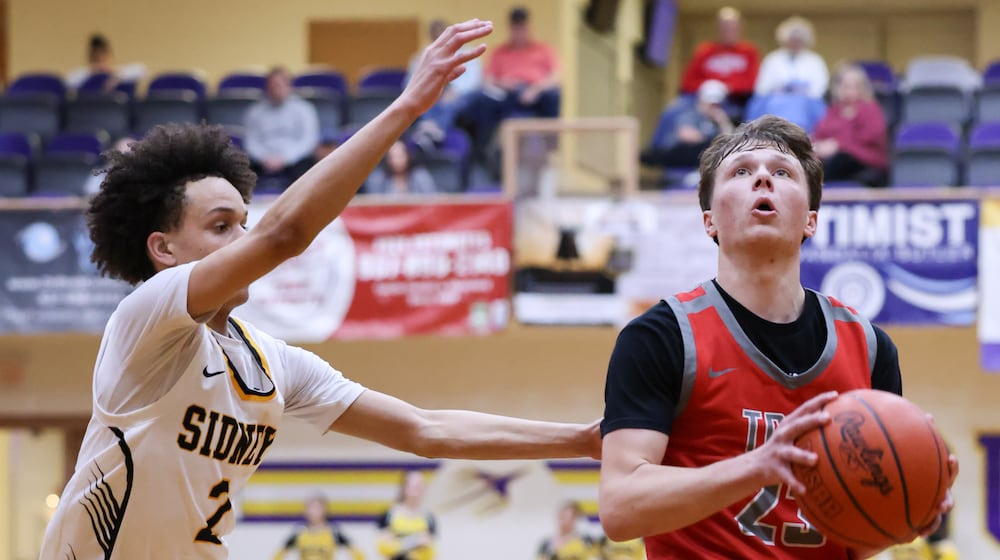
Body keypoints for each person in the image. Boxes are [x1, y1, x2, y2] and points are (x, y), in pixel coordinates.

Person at [39, 20, 600, 559]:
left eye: (243, 222)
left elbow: (424, 429)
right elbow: (286, 233)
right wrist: (407, 107)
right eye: (220, 226)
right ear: (164, 250)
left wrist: (579, 440)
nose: (243, 237)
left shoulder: (269, 364)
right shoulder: (148, 319)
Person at [598, 115, 957, 559]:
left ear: (810, 220)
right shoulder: (662, 336)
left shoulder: (869, 346)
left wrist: (904, 514)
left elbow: (854, 538)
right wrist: (755, 466)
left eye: (783, 172)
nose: (763, 177)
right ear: (709, 220)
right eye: (741, 171)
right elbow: (620, 507)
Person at [469, 6, 560, 157]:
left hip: (536, 94)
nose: (518, 32)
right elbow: (487, 80)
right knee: (483, 99)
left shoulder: (542, 49)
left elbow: (556, 77)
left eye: (522, 27)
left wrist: (536, 89)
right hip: (508, 95)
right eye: (515, 28)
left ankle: (550, 142)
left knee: (553, 95)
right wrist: (502, 84)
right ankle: (483, 149)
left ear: (529, 27)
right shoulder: (500, 52)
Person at [409, 18, 483, 150]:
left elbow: (474, 82)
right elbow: (410, 84)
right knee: (427, 99)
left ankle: (436, 130)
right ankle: (428, 128)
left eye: (442, 35)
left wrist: (454, 91)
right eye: (436, 36)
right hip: (433, 94)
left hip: (461, 96)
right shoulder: (423, 56)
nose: (440, 38)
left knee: (450, 100)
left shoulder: (467, 52)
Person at [745, 16, 828, 133]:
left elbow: (818, 89)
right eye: (792, 39)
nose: (795, 43)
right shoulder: (772, 59)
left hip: (805, 105)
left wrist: (799, 91)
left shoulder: (815, 60)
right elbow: (762, 88)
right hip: (775, 103)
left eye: (799, 40)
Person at [812, 64, 889, 187]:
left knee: (841, 159)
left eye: (855, 87)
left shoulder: (870, 108)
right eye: (846, 86)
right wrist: (819, 147)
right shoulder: (833, 111)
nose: (850, 91)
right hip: (833, 163)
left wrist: (839, 145)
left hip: (866, 163)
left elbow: (872, 137)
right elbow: (820, 135)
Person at [245, 66, 321, 187]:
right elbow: (251, 142)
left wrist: (285, 159)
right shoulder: (255, 111)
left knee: (309, 166)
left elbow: (308, 140)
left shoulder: (305, 109)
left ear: (289, 86)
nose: (277, 89)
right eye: (273, 85)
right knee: (242, 169)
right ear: (267, 87)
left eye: (280, 85)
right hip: (264, 160)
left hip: (295, 160)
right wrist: (264, 158)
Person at [640, 80, 734, 171]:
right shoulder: (688, 112)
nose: (713, 107)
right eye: (710, 104)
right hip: (676, 155)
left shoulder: (717, 119)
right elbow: (686, 135)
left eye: (716, 104)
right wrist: (712, 141)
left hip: (701, 159)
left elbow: (729, 141)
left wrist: (723, 122)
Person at [679, 7, 760, 109]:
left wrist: (726, 87)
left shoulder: (749, 51)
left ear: (740, 27)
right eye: (724, 26)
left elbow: (752, 83)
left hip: (736, 101)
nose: (728, 30)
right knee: (674, 110)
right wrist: (709, 86)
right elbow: (687, 83)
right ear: (717, 27)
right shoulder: (704, 50)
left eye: (732, 26)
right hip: (701, 99)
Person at [274, 495, 364, 560]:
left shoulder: (333, 531)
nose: (314, 511)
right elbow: (279, 554)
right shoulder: (299, 532)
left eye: (317, 508)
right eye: (311, 508)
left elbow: (357, 553)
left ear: (325, 510)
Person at [375, 471, 437, 560]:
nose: (417, 489)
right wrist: (415, 541)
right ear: (404, 487)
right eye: (414, 486)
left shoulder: (428, 517)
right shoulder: (390, 514)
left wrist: (398, 542)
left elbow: (430, 551)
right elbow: (384, 548)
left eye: (420, 485)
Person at [65, 33, 145, 93]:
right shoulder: (85, 74)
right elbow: (68, 81)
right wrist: (93, 71)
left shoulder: (119, 72)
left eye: (102, 53)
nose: (100, 58)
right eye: (96, 54)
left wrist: (115, 75)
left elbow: (141, 70)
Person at [364, 141, 437, 195]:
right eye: (394, 157)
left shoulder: (420, 176)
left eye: (400, 156)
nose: (398, 161)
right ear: (388, 159)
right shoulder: (377, 179)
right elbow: (374, 204)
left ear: (408, 156)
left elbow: (432, 200)